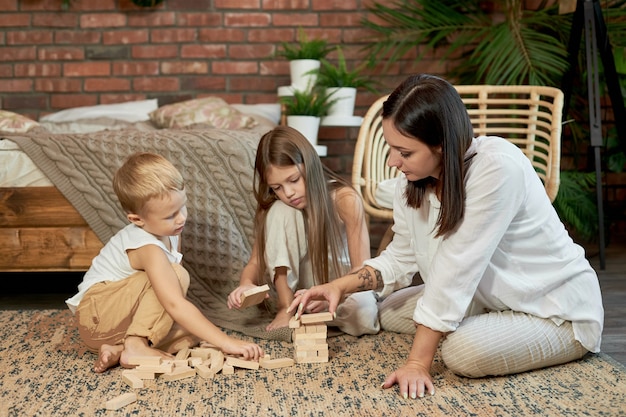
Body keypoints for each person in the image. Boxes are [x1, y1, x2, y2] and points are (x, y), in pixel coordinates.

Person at [289, 74, 604, 399]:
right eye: (391, 148)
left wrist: (417, 362)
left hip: (553, 310)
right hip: (486, 298)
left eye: (404, 152)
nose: (392, 162)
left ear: (441, 144)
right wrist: (339, 286)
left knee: (459, 352)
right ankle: (476, 320)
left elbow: (457, 268)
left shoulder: (497, 168)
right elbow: (400, 257)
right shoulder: (411, 183)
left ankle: (510, 332)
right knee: (386, 311)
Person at [66, 152, 263, 373]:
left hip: (117, 325)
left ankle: (120, 349)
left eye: (183, 207)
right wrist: (227, 342)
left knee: (193, 333)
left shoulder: (170, 231)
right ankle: (136, 345)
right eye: (170, 215)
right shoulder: (147, 246)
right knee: (177, 276)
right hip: (97, 316)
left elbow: (168, 307)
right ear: (137, 220)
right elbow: (173, 303)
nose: (181, 218)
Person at [227, 126, 380, 336]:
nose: (288, 193)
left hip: (343, 289)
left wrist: (332, 297)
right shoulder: (277, 208)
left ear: (310, 166)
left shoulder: (345, 199)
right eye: (277, 187)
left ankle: (315, 313)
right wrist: (245, 284)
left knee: (363, 317)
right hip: (299, 291)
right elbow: (255, 261)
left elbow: (360, 269)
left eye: (293, 180)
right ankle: (286, 307)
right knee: (279, 210)